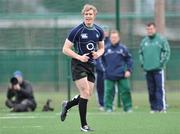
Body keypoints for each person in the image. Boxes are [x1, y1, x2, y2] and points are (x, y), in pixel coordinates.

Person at [60, 4, 104, 132]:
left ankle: (67, 105)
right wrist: (79, 57)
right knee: (85, 92)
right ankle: (83, 125)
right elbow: (65, 49)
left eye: (90, 14)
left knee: (87, 94)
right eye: (86, 14)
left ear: (94, 15)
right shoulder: (77, 30)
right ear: (83, 15)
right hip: (78, 64)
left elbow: (102, 48)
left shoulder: (99, 31)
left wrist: (97, 54)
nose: (88, 16)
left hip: (91, 65)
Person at [139, 22, 170, 113]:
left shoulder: (161, 40)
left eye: (151, 29)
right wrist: (143, 64)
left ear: (155, 29)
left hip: (158, 69)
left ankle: (161, 107)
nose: (149, 31)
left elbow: (167, 51)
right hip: (147, 69)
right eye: (148, 29)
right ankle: (153, 108)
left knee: (159, 88)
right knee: (151, 89)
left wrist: (161, 63)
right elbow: (140, 53)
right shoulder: (144, 41)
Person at [103, 30, 133, 112]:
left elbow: (129, 60)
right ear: (110, 38)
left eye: (115, 37)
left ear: (119, 38)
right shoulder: (105, 49)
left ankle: (128, 108)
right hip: (109, 75)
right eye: (112, 37)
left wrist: (128, 70)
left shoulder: (123, 48)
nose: (114, 39)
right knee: (108, 92)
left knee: (126, 90)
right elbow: (100, 60)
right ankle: (108, 108)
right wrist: (104, 69)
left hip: (122, 74)